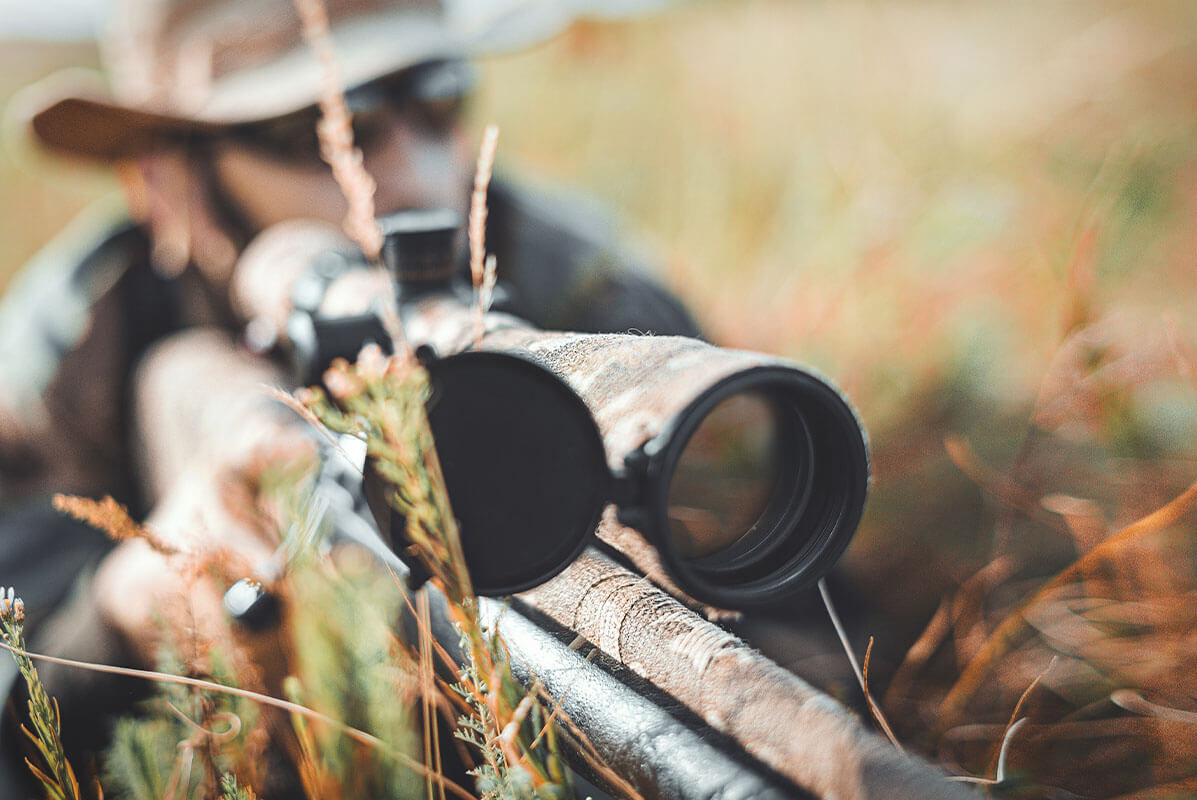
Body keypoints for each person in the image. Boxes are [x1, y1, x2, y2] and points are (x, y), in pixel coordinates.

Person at [0, 0, 700, 791]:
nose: (414, 178)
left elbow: (798, 613)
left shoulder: (592, 296)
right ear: (167, 183)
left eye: (438, 103)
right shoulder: (62, 359)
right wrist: (126, 611)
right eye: (317, 134)